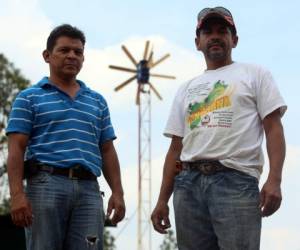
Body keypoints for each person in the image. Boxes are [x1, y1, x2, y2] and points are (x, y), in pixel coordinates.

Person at [151, 6, 286, 250]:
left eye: (222, 31)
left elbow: (274, 128)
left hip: (235, 180)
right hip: (187, 184)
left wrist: (274, 179)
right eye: (207, 32)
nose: (214, 36)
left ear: (233, 40)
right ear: (197, 42)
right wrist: (162, 199)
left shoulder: (255, 74)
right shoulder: (186, 89)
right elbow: (175, 149)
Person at [6, 24, 125, 250]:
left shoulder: (97, 101)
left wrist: (118, 192)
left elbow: (107, 150)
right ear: (47, 56)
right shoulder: (29, 98)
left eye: (78, 52)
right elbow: (16, 149)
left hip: (90, 189)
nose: (72, 56)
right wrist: (17, 195)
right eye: (64, 50)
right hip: (46, 185)